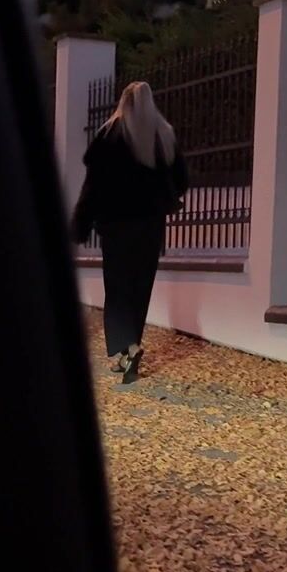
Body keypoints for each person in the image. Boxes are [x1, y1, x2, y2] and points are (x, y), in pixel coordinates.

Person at [71, 81, 188, 384]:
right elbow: (182, 180)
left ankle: (130, 348)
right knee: (140, 287)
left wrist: (80, 224)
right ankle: (128, 352)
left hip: (117, 225)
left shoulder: (110, 135)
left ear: (123, 102)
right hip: (150, 226)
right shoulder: (163, 135)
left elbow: (93, 186)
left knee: (118, 288)